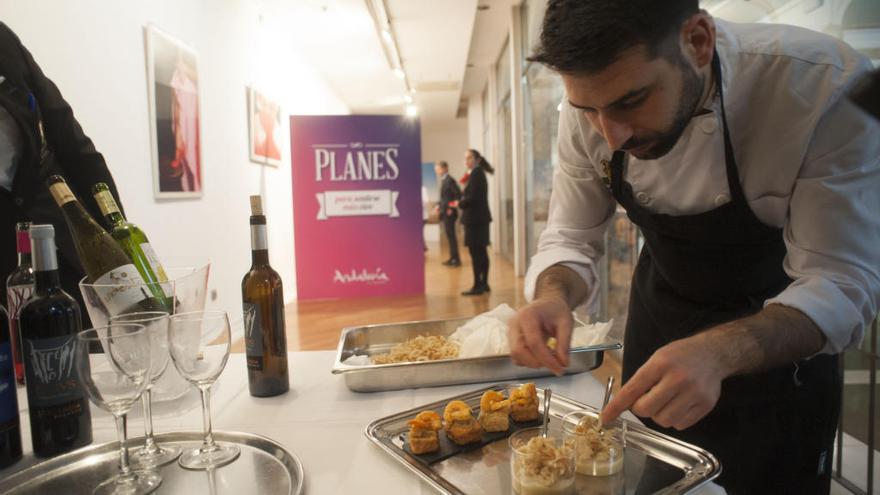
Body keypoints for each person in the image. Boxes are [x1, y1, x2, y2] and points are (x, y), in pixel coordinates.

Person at [508, 1, 880, 493]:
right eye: (588, 111)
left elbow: (842, 281)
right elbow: (571, 237)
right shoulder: (596, 108)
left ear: (698, 41)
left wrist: (721, 351)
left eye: (631, 100)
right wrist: (552, 296)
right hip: (660, 328)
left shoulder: (825, 86)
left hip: (782, 356)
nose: (611, 135)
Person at [0, 22, 125, 325]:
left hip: (64, 246)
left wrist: (121, 241)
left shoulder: (4, 42)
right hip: (6, 272)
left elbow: (75, 147)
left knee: (97, 354)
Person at [458, 149, 494, 296]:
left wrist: (460, 203)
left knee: (477, 253)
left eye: (469, 158)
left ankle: (478, 285)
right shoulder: (478, 173)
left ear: (477, 159)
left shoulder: (476, 174)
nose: (466, 160)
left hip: (475, 220)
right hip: (480, 219)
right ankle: (483, 284)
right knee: (481, 252)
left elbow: (472, 198)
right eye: (465, 158)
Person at [434, 160, 461, 266]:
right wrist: (438, 205)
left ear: (445, 168)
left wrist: (451, 207)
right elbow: (445, 198)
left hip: (449, 213)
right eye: (436, 170)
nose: (437, 171)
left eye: (439, 169)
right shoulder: (444, 180)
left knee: (452, 236)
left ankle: (456, 260)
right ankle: (452, 258)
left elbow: (458, 195)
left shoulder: (450, 180)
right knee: (449, 236)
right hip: (445, 212)